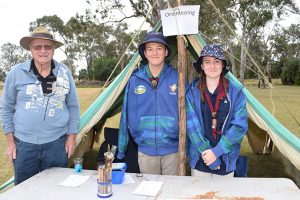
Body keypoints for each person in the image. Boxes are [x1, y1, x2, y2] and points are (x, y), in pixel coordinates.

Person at [0, 26, 80, 185]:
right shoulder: (16, 72)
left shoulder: (64, 72)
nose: (43, 50)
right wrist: (10, 142)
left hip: (57, 144)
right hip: (24, 146)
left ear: (53, 49)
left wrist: (71, 137)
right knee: (25, 191)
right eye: (38, 47)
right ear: (31, 49)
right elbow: (6, 108)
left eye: (47, 46)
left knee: (56, 189)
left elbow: (73, 107)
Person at [117, 31, 179, 175]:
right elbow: (125, 114)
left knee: (172, 192)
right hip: (145, 150)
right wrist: (121, 149)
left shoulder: (178, 77)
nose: (154, 53)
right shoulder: (134, 79)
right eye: (150, 49)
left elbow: (189, 113)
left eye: (159, 48)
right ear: (144, 53)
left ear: (165, 52)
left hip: (173, 150)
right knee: (149, 192)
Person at [186, 44, 248, 177]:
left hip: (226, 158)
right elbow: (191, 126)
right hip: (200, 158)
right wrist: (208, 153)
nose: (212, 66)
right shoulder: (192, 91)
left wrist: (216, 152)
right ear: (202, 66)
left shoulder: (236, 93)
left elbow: (239, 126)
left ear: (223, 65)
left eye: (217, 61)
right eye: (207, 62)